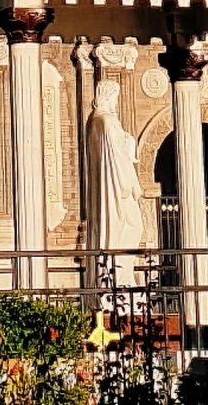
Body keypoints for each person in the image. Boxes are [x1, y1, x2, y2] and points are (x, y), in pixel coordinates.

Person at [85, 80, 145, 287]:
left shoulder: (93, 121)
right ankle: (120, 279)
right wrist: (133, 185)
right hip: (118, 188)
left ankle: (116, 277)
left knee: (124, 229)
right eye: (116, 98)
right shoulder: (108, 122)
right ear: (109, 96)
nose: (117, 102)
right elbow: (117, 158)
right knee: (134, 225)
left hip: (107, 188)